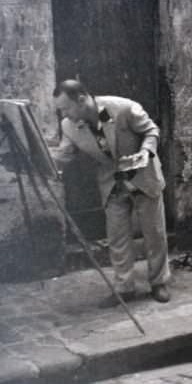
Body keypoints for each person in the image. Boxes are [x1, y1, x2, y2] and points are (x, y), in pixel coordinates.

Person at [51, 80, 171, 306]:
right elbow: (64, 154)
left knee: (153, 232)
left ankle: (158, 282)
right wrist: (39, 159)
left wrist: (146, 151)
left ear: (81, 99)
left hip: (142, 176)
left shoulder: (123, 108)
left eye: (66, 108)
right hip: (112, 184)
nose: (64, 114)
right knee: (116, 237)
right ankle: (124, 288)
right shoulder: (69, 125)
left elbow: (151, 130)